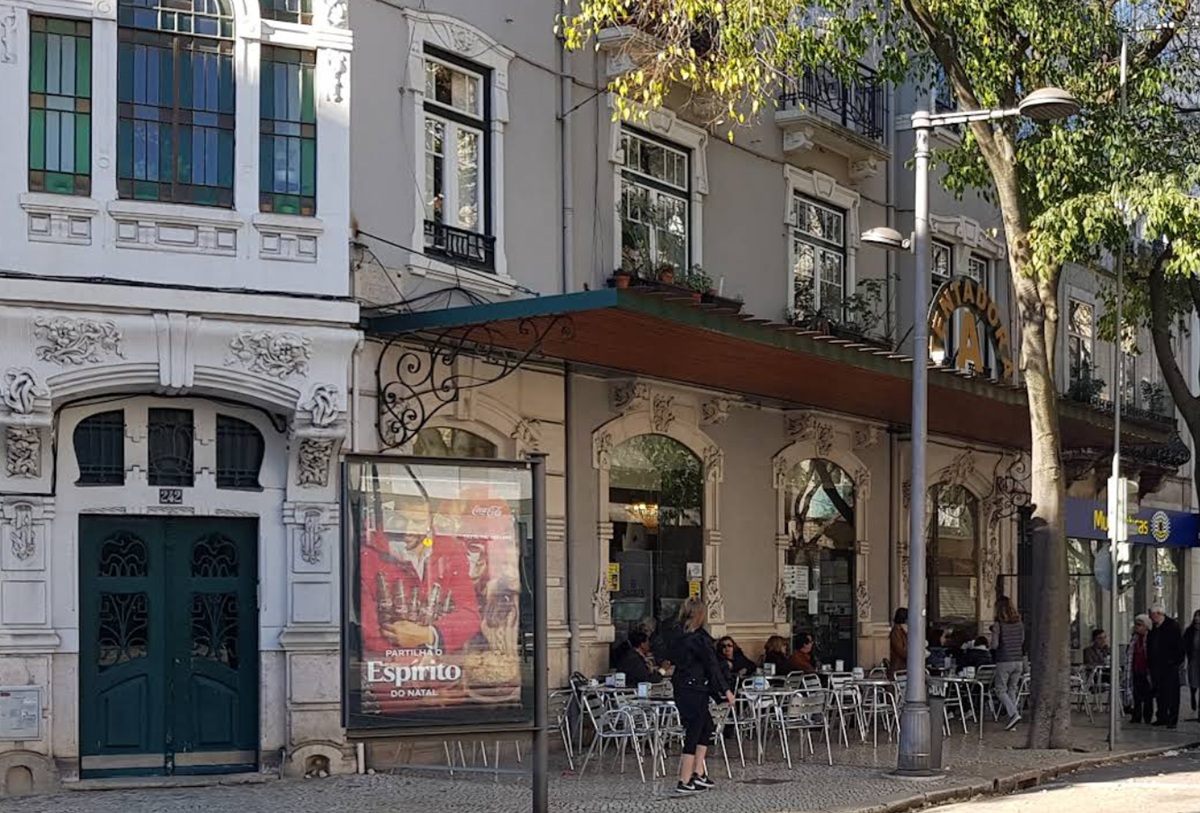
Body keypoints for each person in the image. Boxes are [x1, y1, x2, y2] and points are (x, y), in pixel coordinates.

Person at [669, 598, 734, 795]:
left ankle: (698, 772)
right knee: (695, 731)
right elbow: (712, 666)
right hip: (695, 689)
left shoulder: (677, 636)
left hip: (683, 687)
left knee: (706, 726)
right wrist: (726, 691)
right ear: (701, 615)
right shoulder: (699, 639)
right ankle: (685, 779)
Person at [990, 595, 1025, 731]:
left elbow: (994, 645)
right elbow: (1021, 641)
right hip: (1018, 660)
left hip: (1004, 660)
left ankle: (1014, 714)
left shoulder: (998, 625)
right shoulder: (1019, 624)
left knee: (1000, 690)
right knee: (1012, 689)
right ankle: (1013, 722)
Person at [1148, 604, 1184, 728]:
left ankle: (1172, 719)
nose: (1151, 618)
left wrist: (1174, 662)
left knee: (1172, 693)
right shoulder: (1154, 627)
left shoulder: (1172, 626)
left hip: (1169, 666)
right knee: (1159, 692)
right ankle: (1161, 716)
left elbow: (1179, 646)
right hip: (1156, 666)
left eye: (1152, 615)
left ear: (1159, 614)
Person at [1123, 614, 1153, 724]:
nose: (1137, 627)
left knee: (1147, 696)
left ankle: (1147, 717)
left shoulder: (1150, 638)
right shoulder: (1134, 639)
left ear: (1146, 626)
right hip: (1136, 670)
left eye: (1140, 625)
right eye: (1136, 624)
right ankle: (1136, 716)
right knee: (1136, 695)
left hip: (1146, 671)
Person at [1183, 610, 1200, 714]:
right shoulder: (1189, 631)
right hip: (1193, 660)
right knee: (1193, 682)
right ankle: (1193, 695)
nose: (1197, 618)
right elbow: (1184, 645)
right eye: (1196, 617)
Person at [888, 607, 908, 679]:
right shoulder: (896, 631)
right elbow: (899, 649)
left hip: (904, 666)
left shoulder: (903, 630)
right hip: (899, 666)